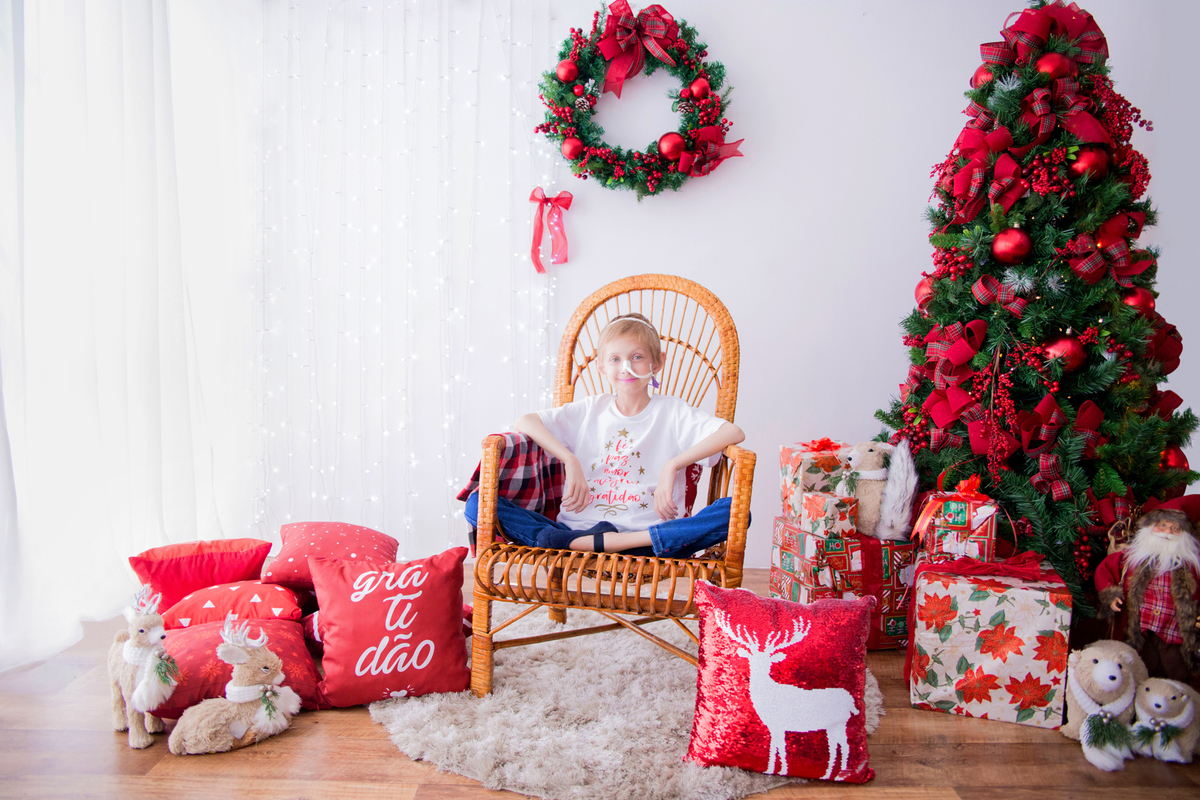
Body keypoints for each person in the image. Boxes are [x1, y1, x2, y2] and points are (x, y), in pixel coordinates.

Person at [464, 312, 745, 558]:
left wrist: (673, 465)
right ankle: (588, 541)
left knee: (736, 511)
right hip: (577, 528)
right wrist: (570, 459)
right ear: (601, 366)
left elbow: (733, 431)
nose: (626, 367)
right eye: (615, 359)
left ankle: (602, 543)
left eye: (637, 357)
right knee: (479, 501)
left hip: (649, 538)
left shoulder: (672, 412)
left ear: (656, 363)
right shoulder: (590, 410)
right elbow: (524, 421)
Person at [1096, 506, 1200, 687]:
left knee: (1173, 676)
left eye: (1175, 528)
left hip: (1173, 634)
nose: (1167, 532)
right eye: (1162, 525)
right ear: (1150, 528)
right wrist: (1111, 595)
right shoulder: (1131, 558)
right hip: (1138, 631)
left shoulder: (1191, 567)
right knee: (1135, 671)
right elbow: (1105, 570)